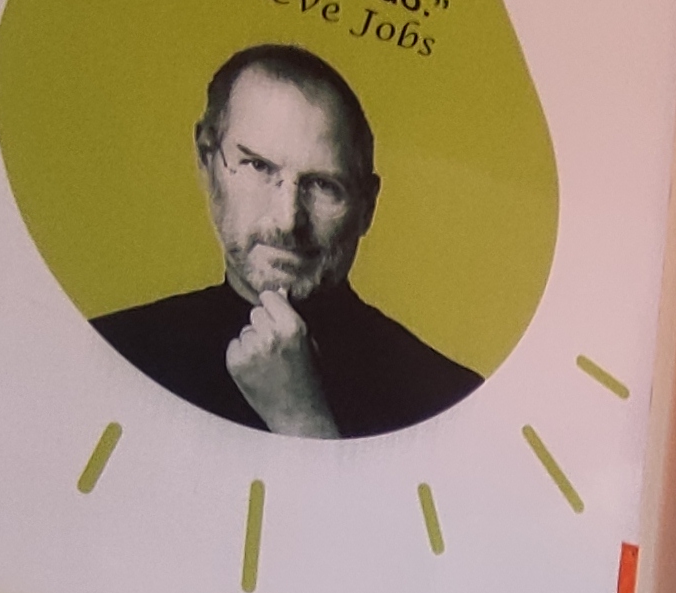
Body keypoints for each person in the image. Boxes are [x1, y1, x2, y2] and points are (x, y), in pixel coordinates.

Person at [92, 45, 479, 439]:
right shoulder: (109, 349)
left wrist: (301, 419)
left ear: (367, 207)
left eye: (323, 185)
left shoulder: (452, 401)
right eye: (258, 166)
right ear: (207, 159)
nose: (287, 219)